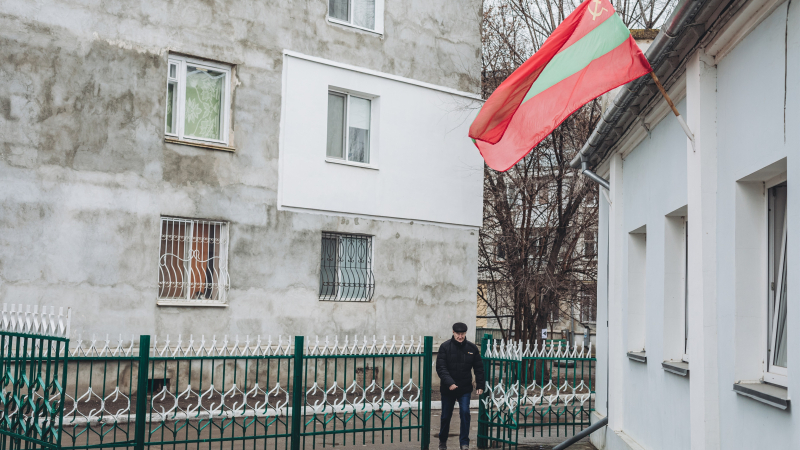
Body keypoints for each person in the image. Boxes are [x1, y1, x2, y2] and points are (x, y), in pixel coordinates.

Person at [435, 322, 485, 450]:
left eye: (462, 334)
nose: (460, 336)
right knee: (446, 416)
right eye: (458, 333)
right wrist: (450, 382)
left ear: (465, 333)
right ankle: (442, 441)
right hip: (448, 389)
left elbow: (478, 368)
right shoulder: (445, 347)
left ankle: (464, 443)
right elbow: (441, 368)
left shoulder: (472, 348)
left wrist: (480, 384)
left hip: (464, 388)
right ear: (453, 332)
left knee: (465, 413)